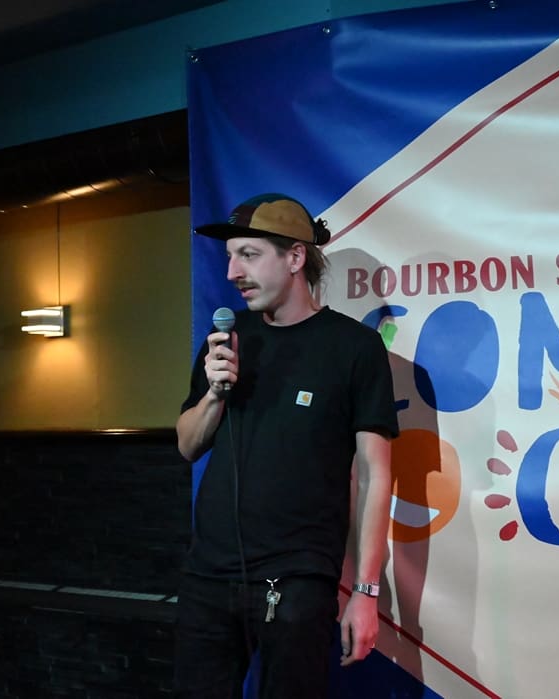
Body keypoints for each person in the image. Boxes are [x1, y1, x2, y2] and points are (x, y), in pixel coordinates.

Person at [174, 193, 398, 698]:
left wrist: (365, 592)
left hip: (296, 584)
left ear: (295, 257)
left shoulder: (354, 347)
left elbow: (374, 473)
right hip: (208, 578)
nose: (232, 272)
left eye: (248, 255)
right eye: (230, 257)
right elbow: (187, 446)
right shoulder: (226, 338)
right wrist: (214, 393)